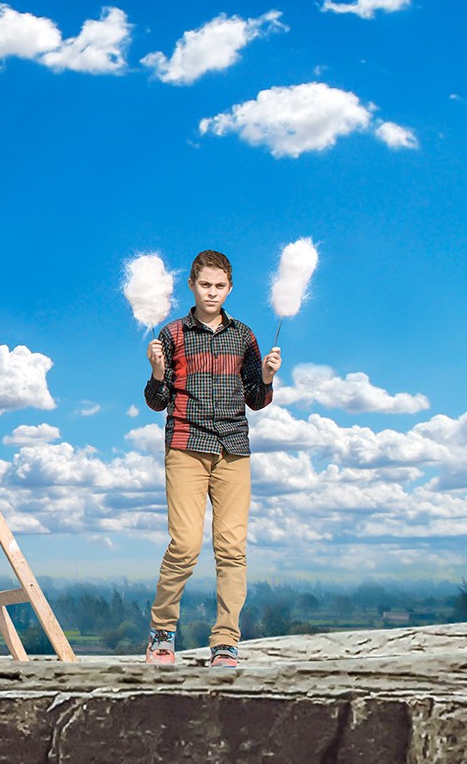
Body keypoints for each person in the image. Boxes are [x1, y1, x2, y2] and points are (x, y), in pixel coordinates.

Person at [143, 249, 282, 669]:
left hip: (234, 449)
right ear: (191, 284)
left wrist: (269, 377)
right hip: (186, 444)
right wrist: (155, 371)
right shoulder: (171, 334)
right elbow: (157, 401)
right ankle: (162, 635)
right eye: (205, 284)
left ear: (230, 288)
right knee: (185, 544)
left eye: (220, 286)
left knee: (232, 549)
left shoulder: (245, 336)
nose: (212, 292)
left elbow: (256, 400)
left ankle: (225, 642)